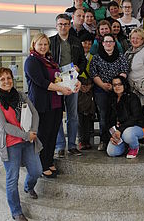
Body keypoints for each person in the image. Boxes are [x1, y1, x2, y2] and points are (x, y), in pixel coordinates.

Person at [0, 67, 43, 221]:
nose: (6, 81)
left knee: (37, 171)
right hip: (10, 143)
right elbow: (3, 126)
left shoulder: (19, 95)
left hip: (27, 141)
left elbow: (35, 113)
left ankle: (28, 187)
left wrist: (33, 131)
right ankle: (16, 212)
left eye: (9, 78)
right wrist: (26, 134)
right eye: (2, 79)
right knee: (12, 178)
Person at [24, 33, 76, 178]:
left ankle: (49, 161)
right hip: (42, 105)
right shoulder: (31, 61)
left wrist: (72, 83)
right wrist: (61, 89)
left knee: (53, 134)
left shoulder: (50, 60)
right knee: (43, 135)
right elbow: (41, 82)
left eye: (45, 44)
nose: (43, 47)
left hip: (56, 103)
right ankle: (42, 165)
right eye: (40, 44)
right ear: (33, 45)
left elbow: (58, 78)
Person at [50, 14, 86, 158]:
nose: (63, 27)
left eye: (66, 24)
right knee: (57, 115)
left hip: (71, 80)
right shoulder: (50, 42)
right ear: (56, 26)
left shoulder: (76, 42)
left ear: (70, 25)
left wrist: (79, 69)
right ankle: (60, 146)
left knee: (73, 115)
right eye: (60, 24)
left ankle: (72, 145)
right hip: (57, 81)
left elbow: (83, 61)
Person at [90, 34, 129, 151]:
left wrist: (115, 85)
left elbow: (124, 72)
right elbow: (93, 73)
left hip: (117, 90)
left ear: (114, 43)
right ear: (102, 43)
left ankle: (119, 139)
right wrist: (102, 85)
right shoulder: (96, 57)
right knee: (103, 116)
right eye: (106, 41)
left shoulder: (121, 57)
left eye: (110, 41)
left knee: (118, 114)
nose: (108, 43)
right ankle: (104, 140)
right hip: (101, 90)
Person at [106, 76, 144, 158]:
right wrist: (111, 136)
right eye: (114, 85)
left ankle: (134, 147)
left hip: (138, 127)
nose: (117, 87)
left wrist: (120, 130)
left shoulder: (132, 97)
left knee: (127, 134)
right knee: (111, 152)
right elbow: (109, 120)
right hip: (120, 130)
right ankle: (126, 145)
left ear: (124, 85)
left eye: (119, 84)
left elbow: (136, 117)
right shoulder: (112, 99)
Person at [125, 28, 144, 123]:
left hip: (140, 89)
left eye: (138, 38)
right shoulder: (128, 52)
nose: (135, 40)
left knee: (140, 116)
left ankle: (143, 136)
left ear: (143, 40)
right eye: (133, 38)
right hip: (129, 88)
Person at [77, 32, 95, 150]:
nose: (87, 45)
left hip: (90, 88)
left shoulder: (93, 57)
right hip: (79, 87)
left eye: (90, 43)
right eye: (85, 43)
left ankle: (87, 140)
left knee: (88, 114)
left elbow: (96, 73)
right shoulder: (77, 56)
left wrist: (91, 85)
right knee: (79, 115)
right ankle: (81, 140)